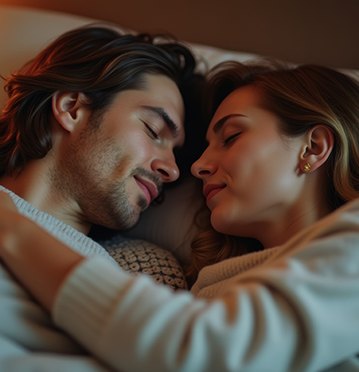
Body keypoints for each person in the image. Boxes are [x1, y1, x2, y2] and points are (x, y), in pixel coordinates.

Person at [1, 60, 359, 372]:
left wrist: (13, 228)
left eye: (231, 137)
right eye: (153, 131)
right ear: (71, 108)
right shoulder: (211, 288)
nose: (195, 167)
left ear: (313, 147)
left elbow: (194, 348)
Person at [0, 24, 205, 370]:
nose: (171, 170)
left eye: (176, 154)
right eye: (154, 130)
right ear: (72, 108)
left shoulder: (147, 274)